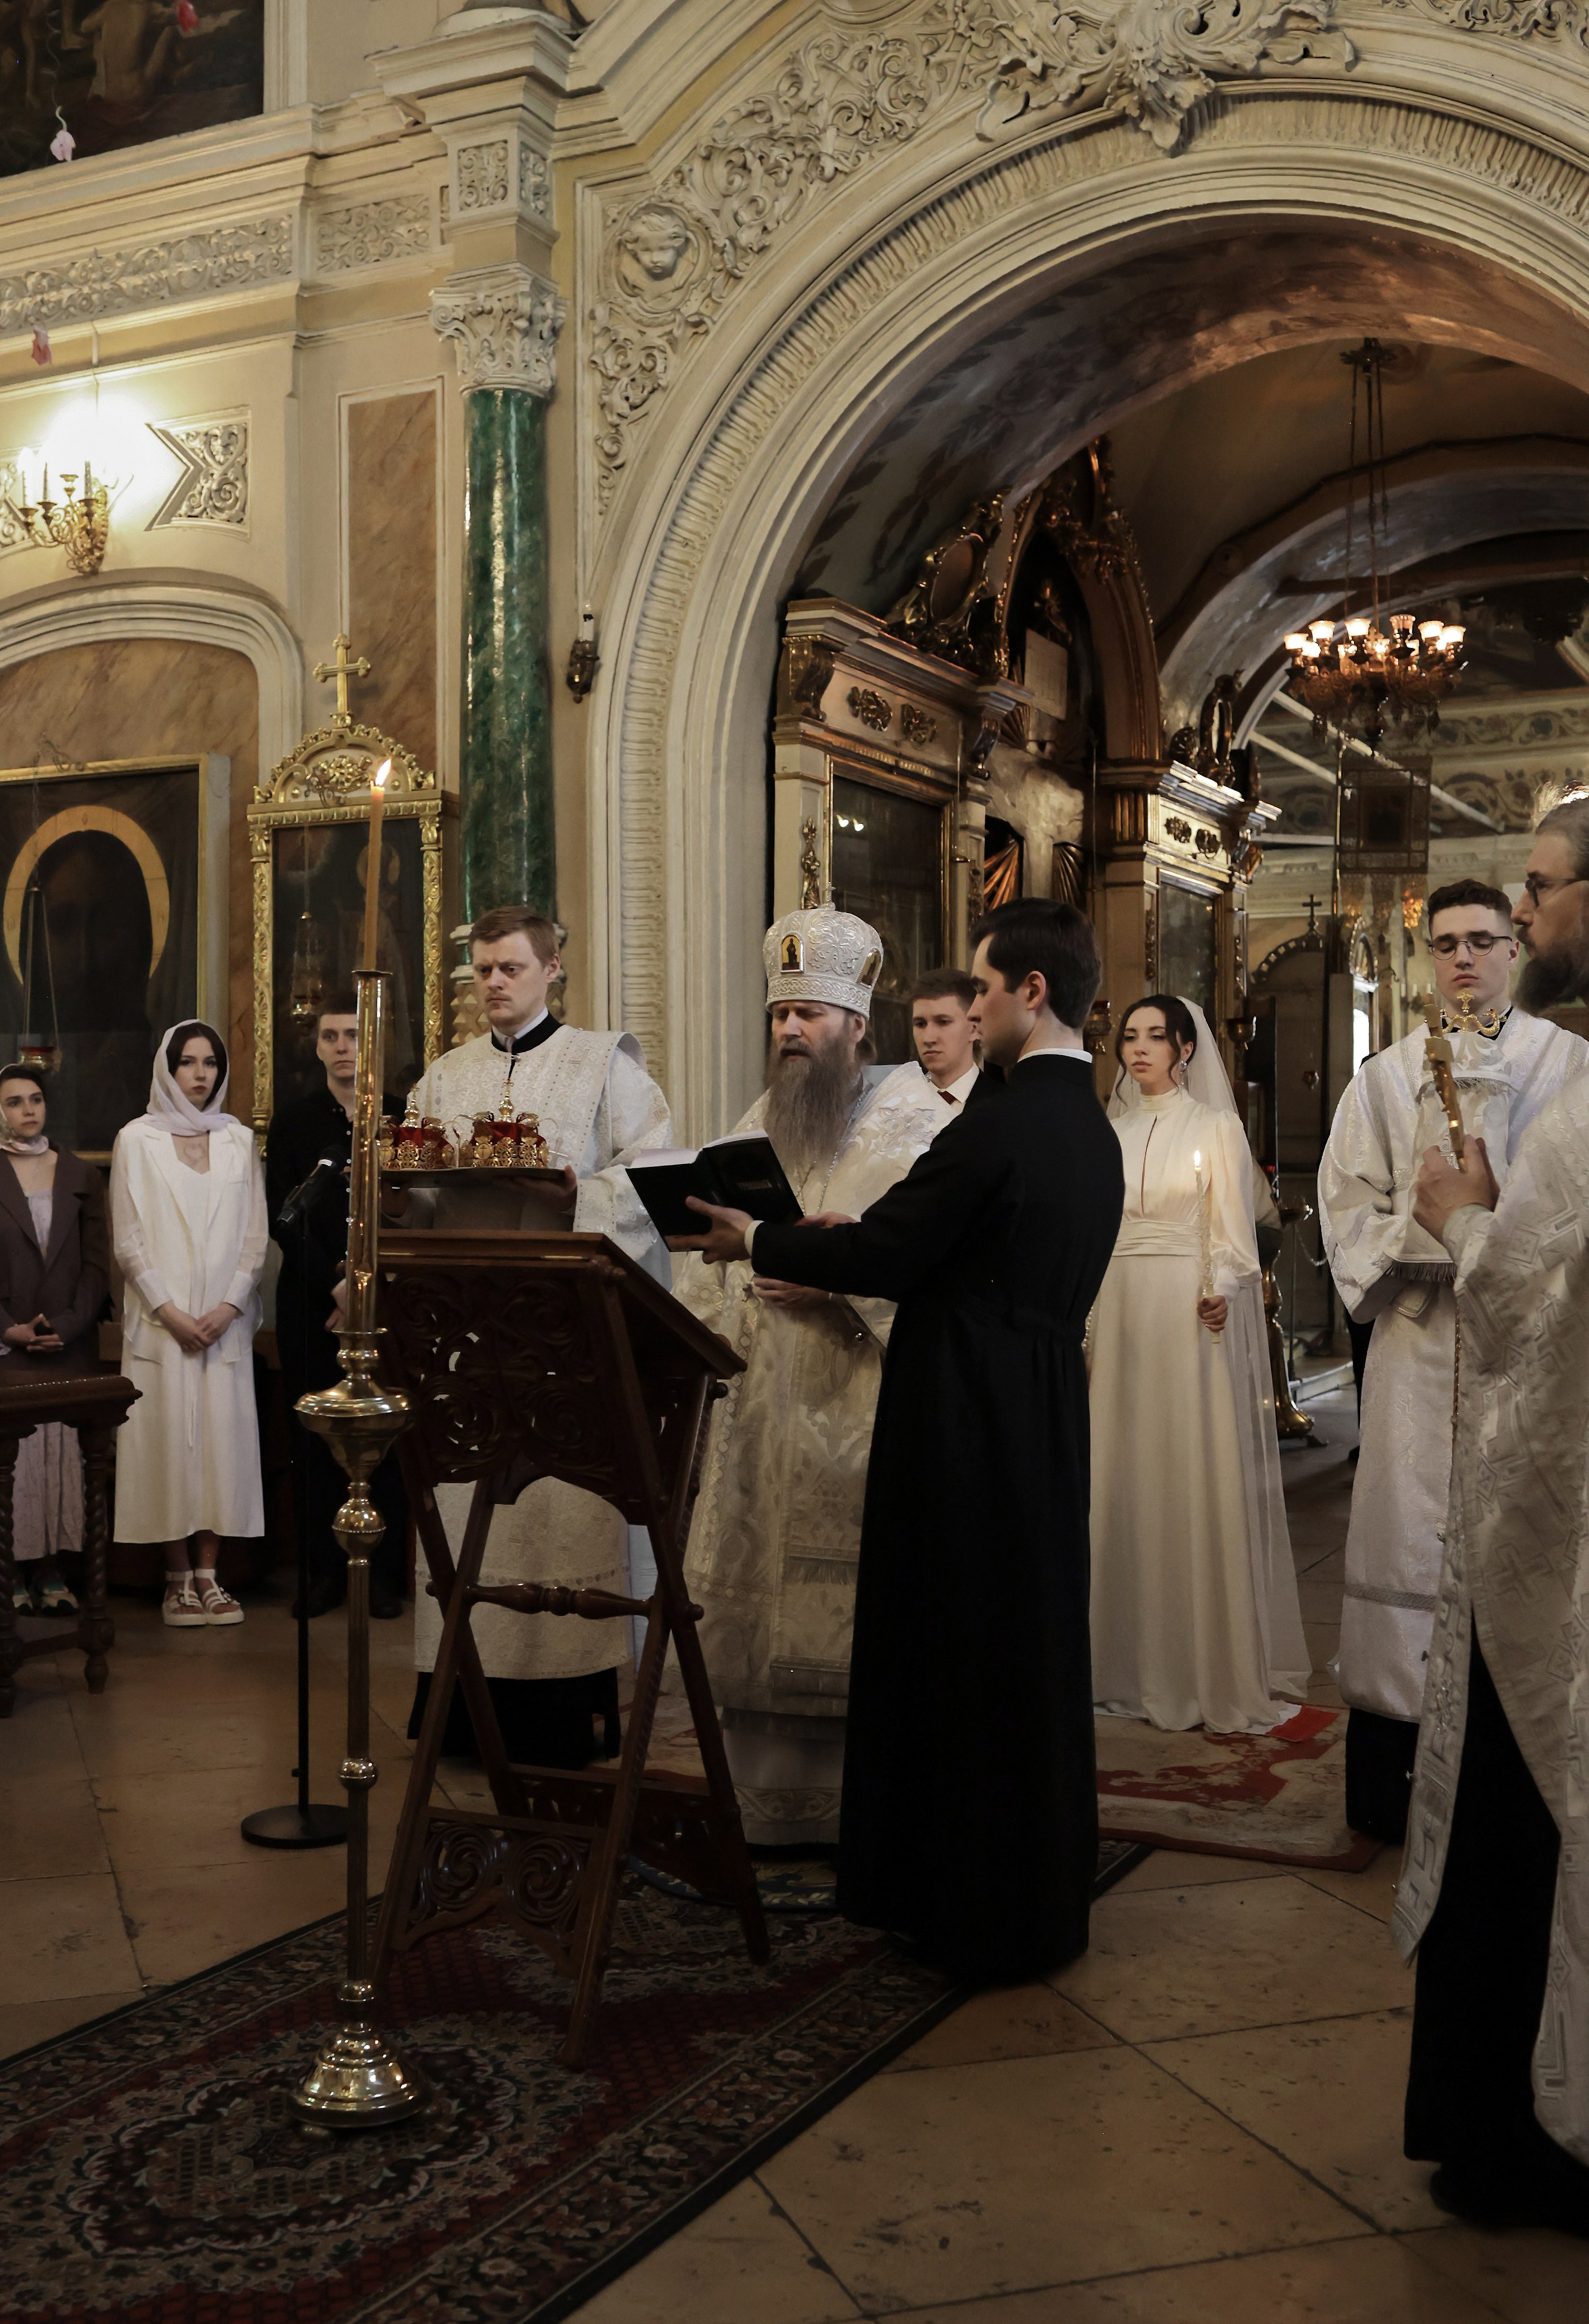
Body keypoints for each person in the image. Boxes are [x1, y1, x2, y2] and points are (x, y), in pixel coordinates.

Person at [678, 899, 1123, 1983]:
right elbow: (945, 1243)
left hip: (968, 1411)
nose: (968, 1009)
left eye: (980, 990)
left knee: (963, 1654)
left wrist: (762, 1237)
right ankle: (1029, 1895)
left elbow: (902, 1245)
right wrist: (850, 1242)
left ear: (1031, 994)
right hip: (1034, 1401)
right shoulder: (1087, 1124)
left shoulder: (1002, 1119)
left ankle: (967, 1906)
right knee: (1024, 1656)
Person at [1397, 799, 1589, 2235]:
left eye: (1537, 891)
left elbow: (1524, 1292)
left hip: (1561, 1527)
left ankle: (1524, 2137)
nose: (1525, 921)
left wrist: (1461, 1212)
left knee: (1537, 1817)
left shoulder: (1580, 1085)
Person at [1320, 878, 1587, 1841]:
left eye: (1483, 939)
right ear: (1427, 958)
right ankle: (1391, 1782)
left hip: (1531, 1358)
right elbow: (1348, 1205)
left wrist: (1477, 1226)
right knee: (1406, 1529)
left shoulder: (1570, 1064)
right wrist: (1427, 1240)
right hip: (1418, 1344)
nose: (1464, 958)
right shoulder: (1384, 1077)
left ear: (1517, 946)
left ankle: (1516, 1788)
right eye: (1445, 944)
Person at [677, 907, 948, 1845]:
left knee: (855, 1614)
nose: (791, 1030)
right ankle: (763, 1812)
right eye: (781, 1013)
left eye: (811, 1014)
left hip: (859, 1400)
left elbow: (936, 1271)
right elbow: (705, 1246)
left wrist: (840, 1283)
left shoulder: (919, 1124)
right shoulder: (759, 1120)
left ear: (859, 1027)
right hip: (762, 1397)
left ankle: (859, 1815)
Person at [400, 904, 673, 1768]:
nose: (493, 983)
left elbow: (655, 1177)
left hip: (563, 1336)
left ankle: (566, 1709)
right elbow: (421, 1185)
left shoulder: (604, 1066)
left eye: (511, 967)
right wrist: (406, 1196)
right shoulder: (442, 1077)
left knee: (558, 1519)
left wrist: (580, 1199)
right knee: (463, 1515)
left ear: (554, 968)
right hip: (468, 1338)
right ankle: (456, 1711)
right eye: (482, 968)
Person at [1089, 996, 1308, 1735]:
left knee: (1182, 1469)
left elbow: (1233, 1235)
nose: (1140, 1048)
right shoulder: (1106, 1133)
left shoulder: (1214, 1127)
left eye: (1156, 1036)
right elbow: (1091, 1236)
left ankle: (1194, 1663)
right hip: (1117, 1310)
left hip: (1186, 1312)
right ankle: (1114, 1661)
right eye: (1130, 1037)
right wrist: (1085, 1325)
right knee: (1116, 1470)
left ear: (1185, 1048)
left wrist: (1220, 1290)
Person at [110, 1022, 268, 1628]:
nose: (200, 1073)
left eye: (210, 1062)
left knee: (223, 1450)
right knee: (166, 1447)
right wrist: (170, 1312)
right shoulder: (136, 1138)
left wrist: (228, 1306)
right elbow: (128, 1240)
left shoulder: (237, 1140)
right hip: (162, 1326)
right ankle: (177, 1578)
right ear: (167, 1069)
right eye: (187, 1062)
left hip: (222, 1325)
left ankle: (210, 1573)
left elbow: (255, 1238)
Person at [266, 994, 405, 1619]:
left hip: (386, 1301)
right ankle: (323, 1574)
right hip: (312, 1302)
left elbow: (415, 1208)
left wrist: (367, 1284)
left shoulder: (402, 1115)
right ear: (317, 1046)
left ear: (371, 1044)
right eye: (331, 1036)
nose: (343, 1045)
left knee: (386, 1441)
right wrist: (337, 1283)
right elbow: (284, 1215)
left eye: (354, 1034)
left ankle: (381, 1578)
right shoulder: (294, 1121)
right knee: (317, 1441)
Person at [0, 1062, 109, 1615]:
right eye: (16, 1101)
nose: (28, 1110)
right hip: (9, 1346)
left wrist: (66, 1324)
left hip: (69, 1344)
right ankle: (12, 1576)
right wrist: (8, 1328)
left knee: (63, 1460)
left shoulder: (80, 1175)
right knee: (15, 1468)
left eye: (36, 1099)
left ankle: (52, 1573)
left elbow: (97, 1268)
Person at [908, 967, 981, 1110]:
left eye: (943, 1022)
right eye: (920, 1024)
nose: (928, 1039)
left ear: (974, 1029)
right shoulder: (899, 1104)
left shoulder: (1005, 1104)